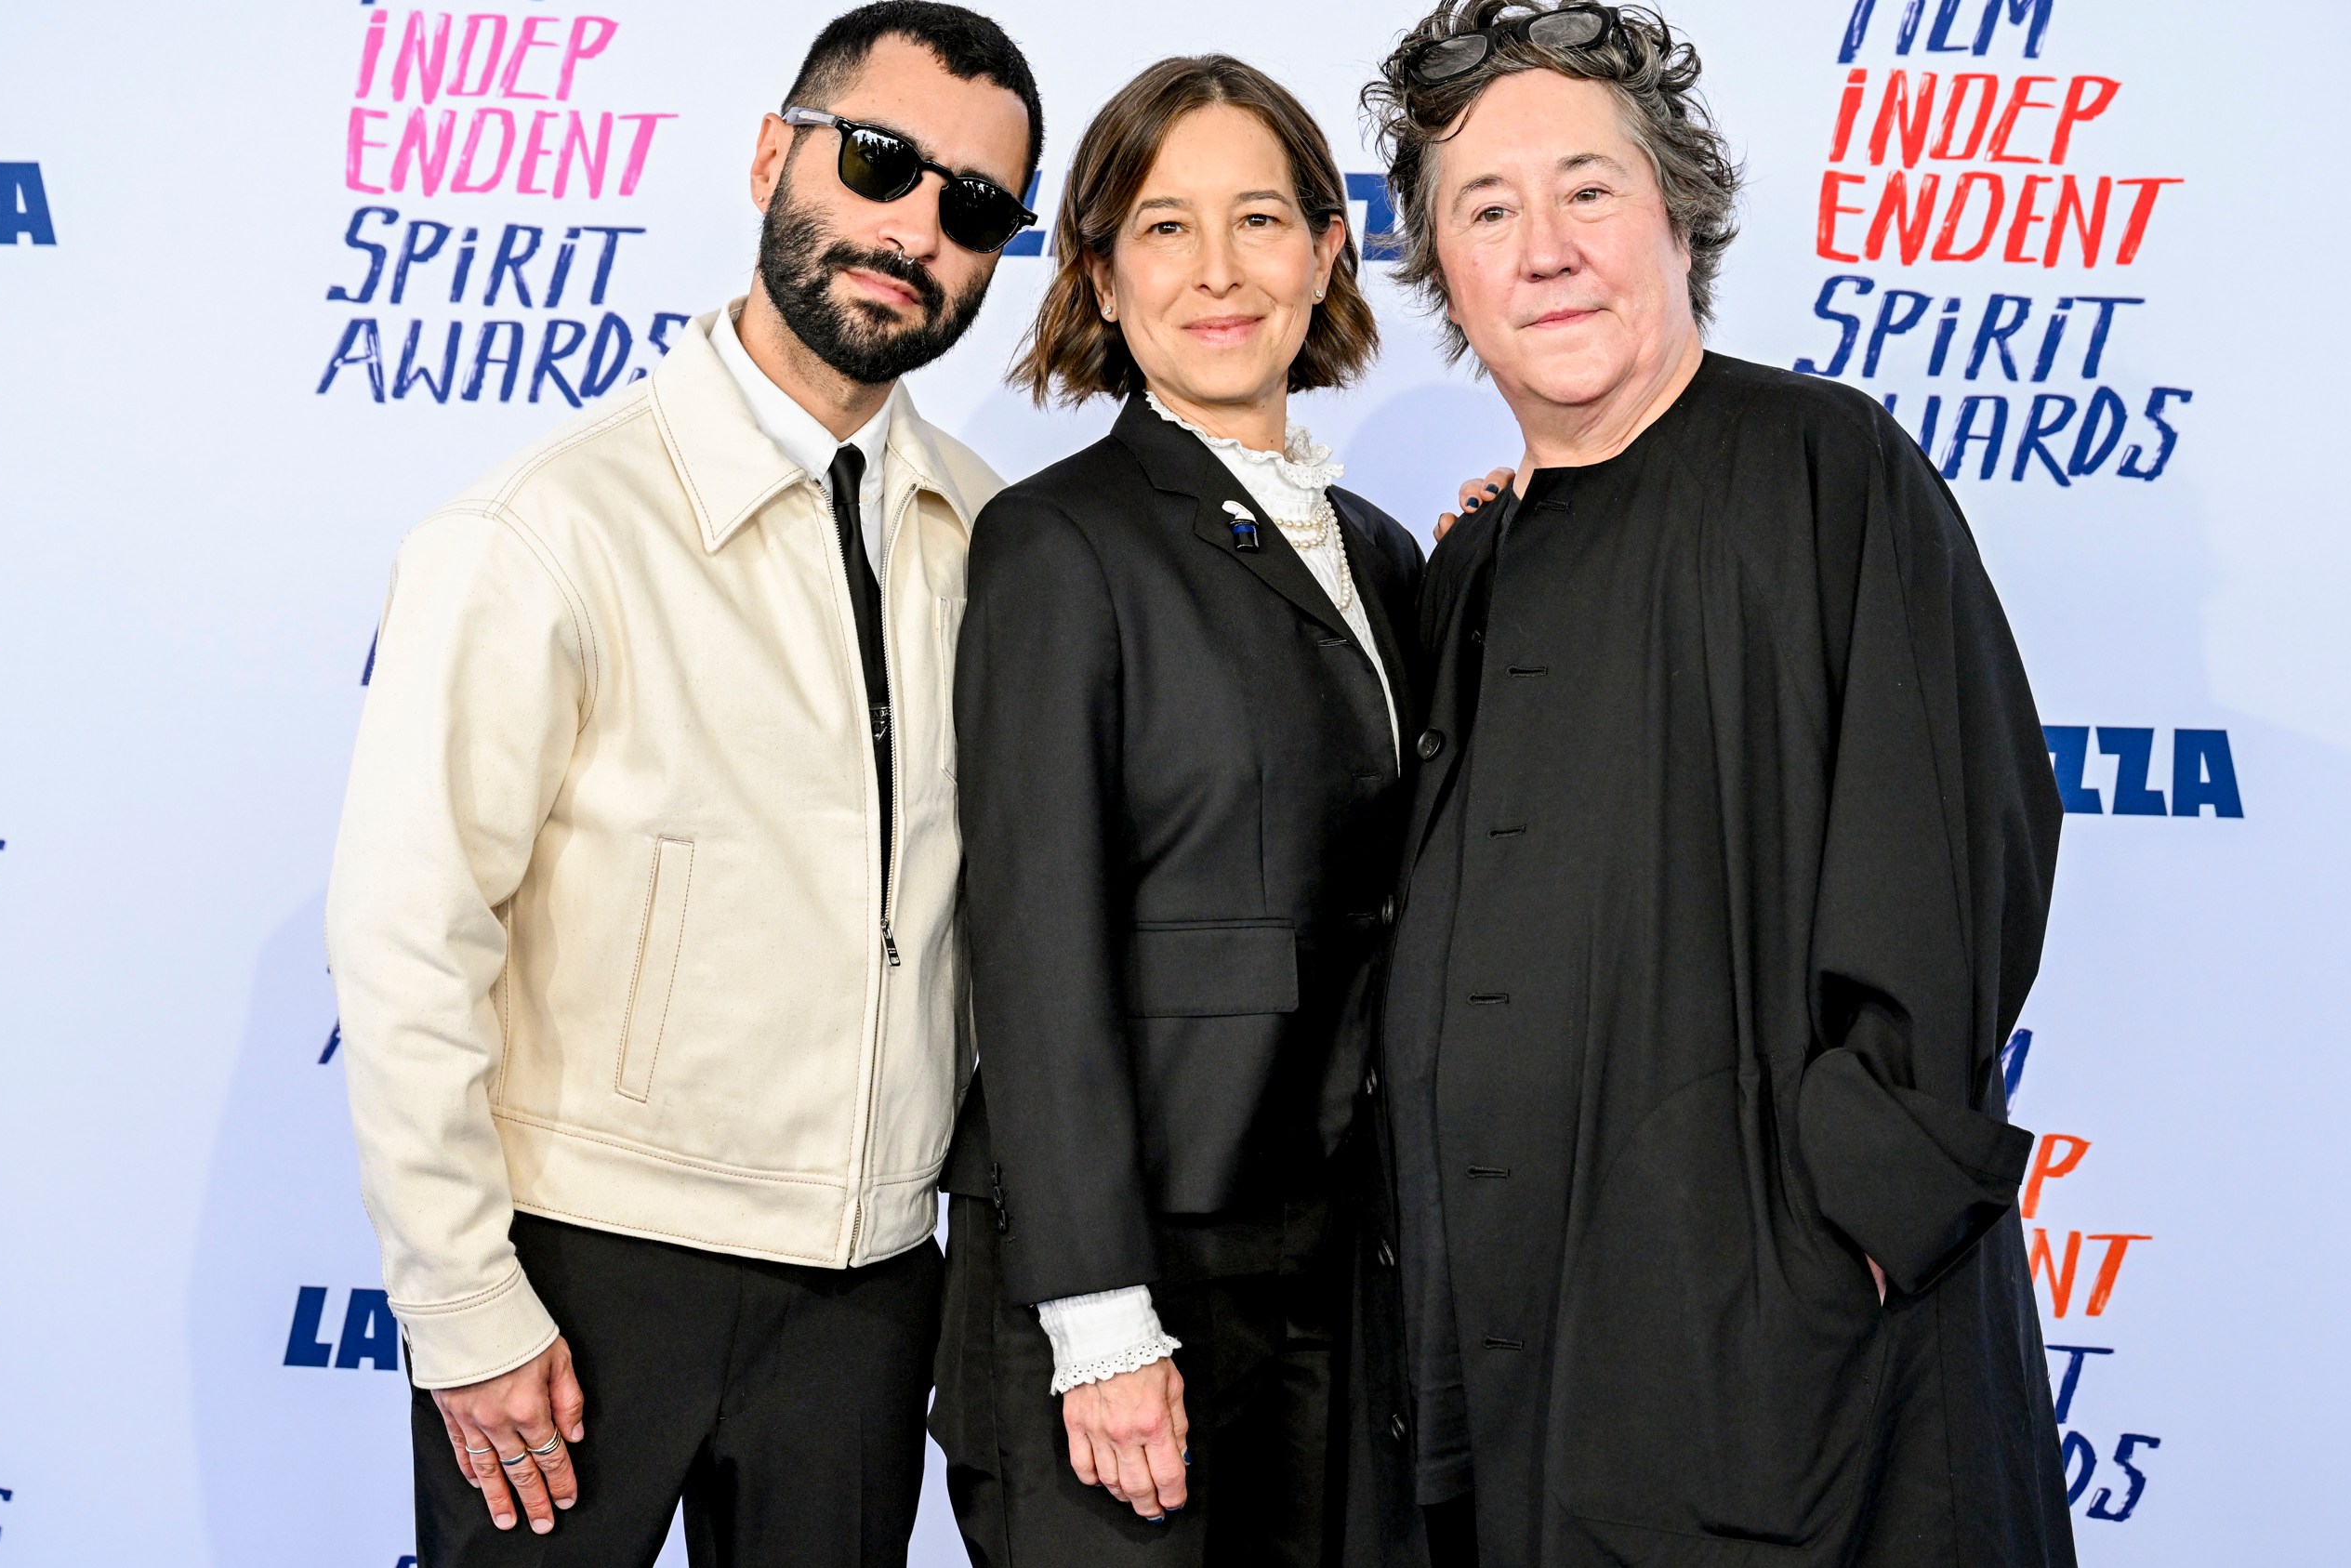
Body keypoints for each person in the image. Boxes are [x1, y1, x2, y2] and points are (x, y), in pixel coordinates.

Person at [1356, 4, 2077, 1565]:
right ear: (1446, 275)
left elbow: (1958, 854)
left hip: (1795, 1380)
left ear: (1677, 209)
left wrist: (1843, 1246)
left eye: (1587, 190)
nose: (1543, 248)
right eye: (1487, 209)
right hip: (1517, 1370)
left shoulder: (1830, 469)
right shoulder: (1471, 559)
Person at [322, 5, 1038, 1561]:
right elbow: (405, 938)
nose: (915, 228)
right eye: (880, 162)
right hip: (581, 1280)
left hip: (868, 1291)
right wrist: (461, 1303)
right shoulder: (544, 532)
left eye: (972, 207)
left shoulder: (998, 541)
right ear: (775, 154)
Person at [929, 55, 1426, 1568]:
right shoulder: (1055, 546)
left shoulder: (1387, 555)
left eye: (1263, 219)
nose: (1218, 271)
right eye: (1162, 226)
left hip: (1343, 1275)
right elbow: (1035, 947)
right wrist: (1099, 1320)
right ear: (1095, 268)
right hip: (1138, 1284)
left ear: (1330, 250)